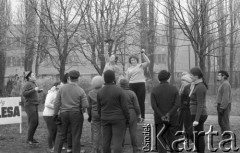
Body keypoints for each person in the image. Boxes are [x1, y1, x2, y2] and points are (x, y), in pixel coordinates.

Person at [53, 70, 89, 153]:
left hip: (63, 114)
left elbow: (57, 102)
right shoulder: (81, 90)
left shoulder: (62, 88)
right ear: (78, 78)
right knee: (76, 135)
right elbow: (85, 105)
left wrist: (55, 114)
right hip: (76, 114)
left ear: (69, 78)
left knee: (61, 135)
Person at [97, 70, 130, 153]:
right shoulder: (119, 90)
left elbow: (99, 108)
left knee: (106, 141)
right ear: (114, 78)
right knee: (117, 141)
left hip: (105, 118)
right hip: (118, 118)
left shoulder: (100, 91)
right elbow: (125, 107)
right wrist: (127, 118)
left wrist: (102, 117)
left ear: (104, 79)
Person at [151, 70, 180, 153]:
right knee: (173, 138)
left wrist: (162, 116)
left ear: (158, 78)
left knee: (161, 137)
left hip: (159, 118)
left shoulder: (154, 90)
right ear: (168, 78)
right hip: (173, 118)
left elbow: (154, 106)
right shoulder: (174, 89)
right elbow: (177, 104)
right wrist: (168, 114)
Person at [126, 49, 150, 121]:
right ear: (130, 61)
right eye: (132, 60)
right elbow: (127, 79)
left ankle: (142, 116)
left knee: (140, 101)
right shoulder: (129, 69)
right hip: (132, 85)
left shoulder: (140, 66)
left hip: (140, 84)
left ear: (137, 60)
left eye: (134, 60)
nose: (133, 61)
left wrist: (143, 54)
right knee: (132, 101)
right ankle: (135, 116)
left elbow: (148, 62)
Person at [189, 67, 208, 153]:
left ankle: (201, 151)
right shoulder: (196, 85)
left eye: (191, 75)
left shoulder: (200, 87)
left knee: (199, 135)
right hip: (195, 113)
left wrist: (197, 119)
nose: (190, 77)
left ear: (196, 76)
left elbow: (200, 104)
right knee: (194, 134)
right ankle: (198, 149)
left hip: (199, 115)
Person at [120, 79, 141, 153]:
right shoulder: (132, 93)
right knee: (133, 132)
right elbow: (137, 106)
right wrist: (139, 114)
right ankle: (135, 148)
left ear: (120, 85)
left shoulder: (118, 93)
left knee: (121, 132)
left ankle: (120, 147)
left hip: (121, 113)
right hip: (132, 112)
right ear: (127, 84)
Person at [22, 71, 43, 144]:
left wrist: (38, 91)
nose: (35, 76)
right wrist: (34, 90)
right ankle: (29, 139)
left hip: (34, 104)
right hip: (30, 105)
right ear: (29, 77)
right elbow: (24, 93)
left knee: (36, 122)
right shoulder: (27, 84)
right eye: (33, 75)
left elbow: (32, 92)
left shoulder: (33, 83)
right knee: (33, 122)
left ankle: (31, 138)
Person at [87, 75, 104, 153]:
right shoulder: (104, 91)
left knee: (95, 132)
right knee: (103, 131)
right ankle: (102, 148)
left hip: (94, 113)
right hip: (103, 113)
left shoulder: (90, 93)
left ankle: (94, 149)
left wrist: (89, 116)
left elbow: (89, 106)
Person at [43, 82, 60, 153]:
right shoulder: (51, 94)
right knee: (51, 131)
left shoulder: (57, 94)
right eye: (60, 86)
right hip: (48, 115)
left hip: (53, 114)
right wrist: (56, 107)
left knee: (55, 131)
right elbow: (47, 104)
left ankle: (55, 146)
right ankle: (50, 147)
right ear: (56, 87)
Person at [216, 70, 232, 139]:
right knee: (221, 122)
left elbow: (225, 98)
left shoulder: (226, 84)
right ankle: (224, 136)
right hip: (221, 105)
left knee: (224, 122)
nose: (217, 76)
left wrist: (222, 108)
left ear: (224, 76)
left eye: (219, 75)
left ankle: (227, 138)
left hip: (224, 106)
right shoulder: (223, 84)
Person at [178, 72, 193, 142]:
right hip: (182, 108)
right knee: (181, 122)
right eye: (182, 80)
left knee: (187, 124)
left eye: (184, 81)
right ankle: (182, 134)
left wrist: (185, 103)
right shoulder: (182, 88)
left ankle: (188, 136)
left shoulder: (187, 89)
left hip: (186, 109)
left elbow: (188, 98)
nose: (182, 82)